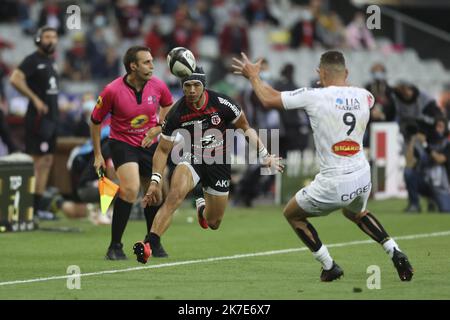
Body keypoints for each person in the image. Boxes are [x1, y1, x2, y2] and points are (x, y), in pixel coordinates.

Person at [232, 50, 414, 282]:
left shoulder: (314, 96)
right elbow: (353, 96)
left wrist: (253, 76)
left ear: (321, 73)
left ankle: (329, 266)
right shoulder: (365, 96)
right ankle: (394, 250)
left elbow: (268, 99)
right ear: (347, 72)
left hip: (334, 181)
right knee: (357, 213)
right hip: (361, 175)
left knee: (292, 214)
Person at [132, 67, 283, 264]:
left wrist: (265, 155)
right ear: (182, 87)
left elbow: (246, 128)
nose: (192, 90)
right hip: (191, 157)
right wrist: (155, 181)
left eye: (196, 85)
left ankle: (202, 210)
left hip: (218, 162)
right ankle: (149, 245)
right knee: (174, 196)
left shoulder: (222, 103)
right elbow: (162, 150)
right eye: (187, 85)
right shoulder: (177, 112)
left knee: (214, 222)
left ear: (204, 86)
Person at [90, 46, 174, 260]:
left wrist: (159, 126)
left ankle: (152, 241)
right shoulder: (112, 90)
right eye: (146, 62)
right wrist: (98, 154)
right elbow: (95, 121)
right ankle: (115, 246)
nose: (152, 66)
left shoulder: (158, 86)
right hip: (122, 143)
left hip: (149, 143)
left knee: (156, 194)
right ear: (133, 66)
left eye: (152, 61)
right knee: (130, 189)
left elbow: (168, 105)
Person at [9, 26, 59, 221]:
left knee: (47, 161)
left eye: (54, 37)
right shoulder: (32, 60)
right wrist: (35, 99)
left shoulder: (50, 62)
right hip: (37, 119)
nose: (51, 40)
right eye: (47, 37)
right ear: (39, 39)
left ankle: (38, 208)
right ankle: (26, 207)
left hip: (52, 118)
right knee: (36, 161)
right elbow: (15, 78)